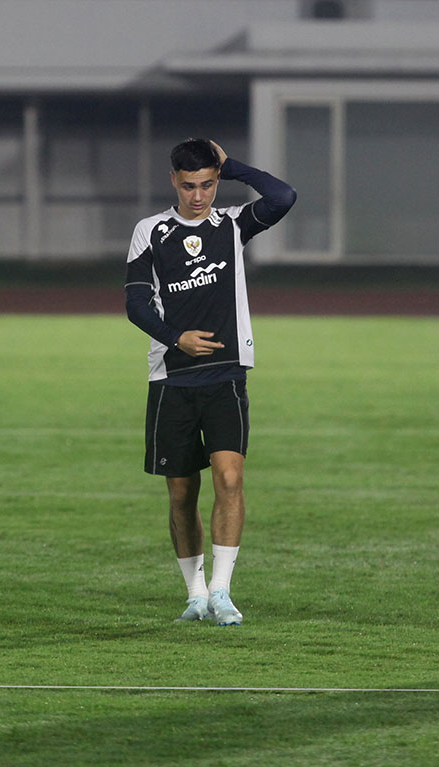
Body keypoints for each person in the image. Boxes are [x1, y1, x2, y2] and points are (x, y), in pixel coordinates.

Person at [125, 138, 296, 625]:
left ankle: (222, 591)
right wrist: (175, 337)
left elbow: (283, 196)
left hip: (226, 377)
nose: (198, 196)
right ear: (173, 182)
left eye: (207, 184)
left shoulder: (231, 224)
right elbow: (136, 303)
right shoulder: (150, 231)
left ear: (215, 180)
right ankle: (195, 593)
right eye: (189, 186)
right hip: (171, 379)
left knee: (230, 478)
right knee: (181, 493)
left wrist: (233, 165)